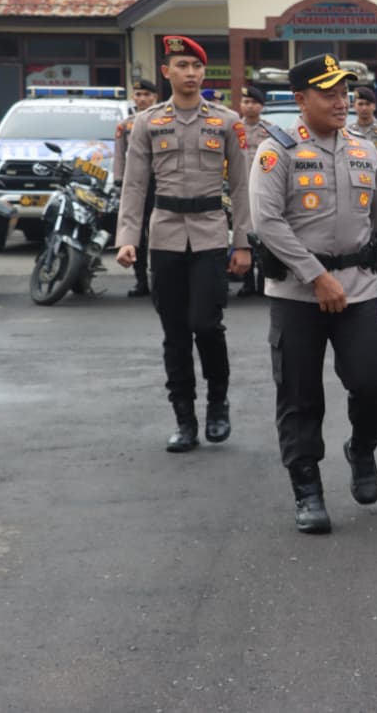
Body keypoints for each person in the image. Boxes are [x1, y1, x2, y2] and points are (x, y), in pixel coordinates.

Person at [249, 54, 377, 534]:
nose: (342, 102)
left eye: (345, 93)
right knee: (299, 395)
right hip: (297, 295)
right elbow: (267, 223)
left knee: (371, 383)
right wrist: (316, 276)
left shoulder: (365, 150)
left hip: (358, 290)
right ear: (301, 100)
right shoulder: (277, 151)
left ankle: (361, 449)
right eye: (329, 94)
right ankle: (307, 489)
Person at [115, 36, 252, 452]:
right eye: (182, 65)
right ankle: (184, 419)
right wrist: (127, 239)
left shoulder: (227, 122)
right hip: (165, 235)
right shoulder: (147, 122)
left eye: (196, 66)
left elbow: (241, 186)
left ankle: (217, 404)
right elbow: (134, 185)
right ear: (166, 72)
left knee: (206, 324)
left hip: (210, 233)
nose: (191, 73)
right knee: (175, 332)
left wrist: (243, 243)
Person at [114, 78, 159, 297]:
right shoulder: (125, 125)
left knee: (159, 232)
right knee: (136, 234)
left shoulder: (162, 122)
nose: (142, 99)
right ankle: (141, 280)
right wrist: (118, 180)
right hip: (135, 186)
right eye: (138, 95)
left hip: (159, 184)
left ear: (155, 98)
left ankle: (160, 280)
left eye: (147, 95)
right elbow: (119, 155)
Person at [236, 84, 270, 297]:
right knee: (243, 234)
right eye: (246, 102)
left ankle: (263, 280)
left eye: (254, 102)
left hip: (262, 191)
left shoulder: (269, 130)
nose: (249, 106)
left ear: (261, 106)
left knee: (264, 236)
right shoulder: (234, 129)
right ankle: (247, 282)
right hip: (239, 191)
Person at [349, 86, 377, 152]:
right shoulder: (349, 131)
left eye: (367, 104)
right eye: (360, 104)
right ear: (354, 106)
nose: (364, 108)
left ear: (374, 106)